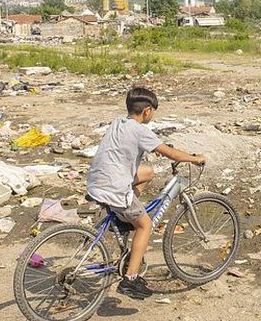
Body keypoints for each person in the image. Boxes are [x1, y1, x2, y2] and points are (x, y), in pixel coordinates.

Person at [86, 86, 205, 300]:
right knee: (145, 225)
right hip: (114, 187)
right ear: (147, 111)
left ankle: (124, 220)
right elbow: (170, 154)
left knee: (147, 172)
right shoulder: (141, 131)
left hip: (96, 181)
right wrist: (194, 158)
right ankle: (131, 279)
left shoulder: (117, 122)